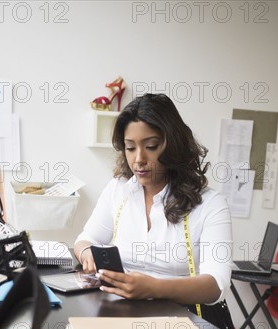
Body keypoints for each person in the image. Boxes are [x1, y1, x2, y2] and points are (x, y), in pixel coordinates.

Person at [74, 93, 233, 306]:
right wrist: (87, 254)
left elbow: (216, 284)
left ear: (173, 145)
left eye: (150, 147)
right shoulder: (119, 190)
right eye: (130, 148)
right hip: (123, 311)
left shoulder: (210, 204)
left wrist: (154, 288)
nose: (139, 159)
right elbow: (86, 239)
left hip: (184, 318)